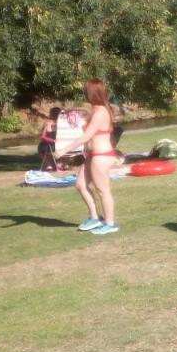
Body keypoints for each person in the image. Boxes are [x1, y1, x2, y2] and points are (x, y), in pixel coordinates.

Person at [54, 79, 120, 235]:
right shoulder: (95, 109)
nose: (84, 93)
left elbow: (86, 136)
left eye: (86, 90)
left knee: (103, 190)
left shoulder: (100, 112)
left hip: (101, 156)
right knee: (80, 185)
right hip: (92, 155)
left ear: (91, 93)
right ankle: (95, 217)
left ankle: (110, 224)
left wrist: (64, 150)